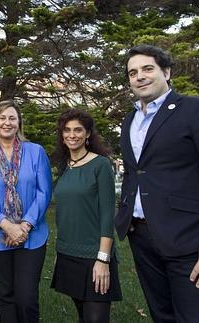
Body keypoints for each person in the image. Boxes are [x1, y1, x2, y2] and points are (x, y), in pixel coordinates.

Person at [115, 44, 199, 322]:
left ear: (167, 72)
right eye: (133, 72)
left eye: (148, 69)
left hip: (189, 239)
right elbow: (134, 173)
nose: (140, 76)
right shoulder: (129, 121)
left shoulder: (198, 110)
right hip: (142, 237)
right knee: (163, 316)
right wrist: (125, 212)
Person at [0, 100, 52, 323]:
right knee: (6, 296)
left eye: (12, 118)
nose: (7, 122)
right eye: (2, 118)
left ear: (19, 123)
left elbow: (43, 192)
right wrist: (7, 226)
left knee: (26, 297)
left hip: (32, 235)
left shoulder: (36, 152)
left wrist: (24, 226)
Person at [50, 109, 122, 323]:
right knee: (83, 316)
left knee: (96, 318)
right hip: (68, 252)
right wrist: (58, 252)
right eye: (67, 130)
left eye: (78, 130)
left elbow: (108, 214)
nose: (72, 135)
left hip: (95, 255)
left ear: (88, 134)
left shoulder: (100, 165)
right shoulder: (65, 167)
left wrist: (103, 259)